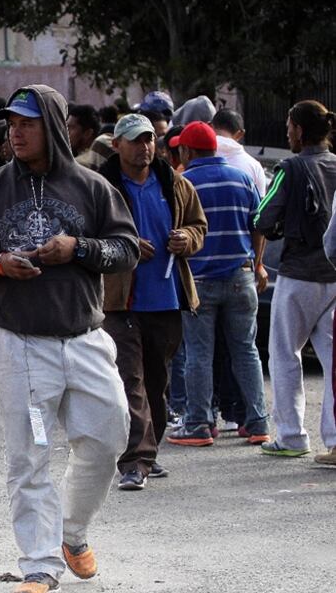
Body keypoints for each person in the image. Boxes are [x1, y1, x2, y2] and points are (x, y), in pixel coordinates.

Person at [0, 85, 139, 593]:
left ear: (53, 125)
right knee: (28, 455)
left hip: (85, 339)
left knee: (108, 437)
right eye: (11, 123)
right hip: (22, 347)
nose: (16, 132)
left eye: (27, 123)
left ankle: (70, 534)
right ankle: (39, 566)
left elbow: (125, 249)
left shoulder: (94, 186)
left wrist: (78, 248)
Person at [97, 114, 207, 489]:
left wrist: (186, 240)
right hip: (120, 302)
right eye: (134, 140)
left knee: (157, 383)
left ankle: (149, 451)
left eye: (148, 140)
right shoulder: (102, 187)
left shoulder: (175, 182)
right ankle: (135, 461)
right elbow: (87, 237)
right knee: (130, 381)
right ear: (117, 145)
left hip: (167, 298)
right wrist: (124, 248)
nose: (144, 147)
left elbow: (198, 225)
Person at [161, 121, 270, 448]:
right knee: (246, 351)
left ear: (189, 150)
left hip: (199, 280)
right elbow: (260, 224)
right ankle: (257, 423)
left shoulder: (184, 182)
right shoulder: (243, 179)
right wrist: (258, 262)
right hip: (241, 276)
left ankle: (199, 423)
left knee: (198, 353)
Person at [256, 100, 336, 461]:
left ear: (300, 131)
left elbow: (262, 214)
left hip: (299, 274)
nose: (287, 133)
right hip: (333, 276)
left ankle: (291, 435)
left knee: (285, 354)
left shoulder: (291, 168)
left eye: (289, 127)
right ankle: (334, 440)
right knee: (333, 360)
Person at [212, 109, 267, 195]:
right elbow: (260, 205)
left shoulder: (197, 156)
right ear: (240, 134)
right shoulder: (254, 167)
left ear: (210, 126)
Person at [66, 105, 101, 169]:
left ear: (88, 133)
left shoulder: (83, 165)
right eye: (66, 127)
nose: (66, 131)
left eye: (72, 127)